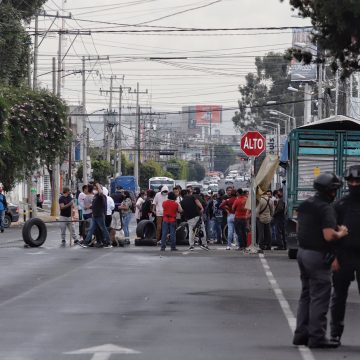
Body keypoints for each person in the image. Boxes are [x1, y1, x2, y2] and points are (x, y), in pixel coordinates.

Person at [293, 172, 348, 348]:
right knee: (320, 296)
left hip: (302, 252)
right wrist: (341, 232)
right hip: (317, 255)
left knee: (306, 295)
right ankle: (316, 337)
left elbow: (300, 226)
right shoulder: (326, 208)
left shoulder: (305, 204)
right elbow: (329, 236)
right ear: (331, 191)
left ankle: (301, 334)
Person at [330, 165, 360, 345]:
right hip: (343, 255)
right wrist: (332, 258)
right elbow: (331, 234)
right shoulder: (339, 205)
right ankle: (335, 333)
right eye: (352, 182)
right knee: (339, 297)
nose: (355, 184)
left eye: (358, 181)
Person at [80, 183, 112, 248]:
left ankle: (108, 243)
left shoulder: (102, 196)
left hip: (99, 215)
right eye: (94, 188)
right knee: (91, 229)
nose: (94, 190)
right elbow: (94, 205)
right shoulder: (95, 196)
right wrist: (89, 207)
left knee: (103, 229)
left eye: (96, 188)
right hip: (95, 215)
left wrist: (98, 185)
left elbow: (100, 193)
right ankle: (86, 242)